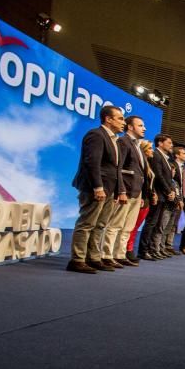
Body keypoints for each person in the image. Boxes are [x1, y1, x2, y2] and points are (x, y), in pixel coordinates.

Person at [68, 105, 126, 273]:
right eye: (120, 119)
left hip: (109, 189)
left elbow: (115, 169)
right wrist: (98, 187)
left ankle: (93, 257)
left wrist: (118, 191)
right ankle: (77, 260)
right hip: (95, 188)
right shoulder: (96, 135)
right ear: (108, 119)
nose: (124, 123)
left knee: (100, 225)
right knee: (87, 223)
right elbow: (92, 163)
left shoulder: (115, 140)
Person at [100, 115, 146, 269]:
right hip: (125, 190)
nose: (144, 128)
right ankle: (107, 255)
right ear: (130, 127)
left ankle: (119, 254)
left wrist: (140, 194)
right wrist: (121, 190)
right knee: (116, 224)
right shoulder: (123, 142)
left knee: (128, 227)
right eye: (140, 125)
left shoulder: (138, 146)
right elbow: (118, 168)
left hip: (136, 191)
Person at [139, 133, 176, 261]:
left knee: (156, 224)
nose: (172, 145)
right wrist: (168, 191)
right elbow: (159, 176)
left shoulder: (165, 157)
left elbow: (167, 178)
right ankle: (143, 251)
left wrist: (171, 191)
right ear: (160, 143)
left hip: (163, 195)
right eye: (169, 142)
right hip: (158, 194)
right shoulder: (156, 155)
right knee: (151, 223)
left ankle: (150, 249)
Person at [163, 146, 185, 255]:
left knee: (174, 224)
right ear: (177, 155)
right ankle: (162, 245)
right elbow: (171, 182)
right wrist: (178, 199)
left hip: (180, 198)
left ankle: (169, 245)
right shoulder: (171, 165)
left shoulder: (184, 168)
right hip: (171, 198)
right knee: (167, 223)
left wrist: (182, 199)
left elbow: (183, 185)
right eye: (183, 153)